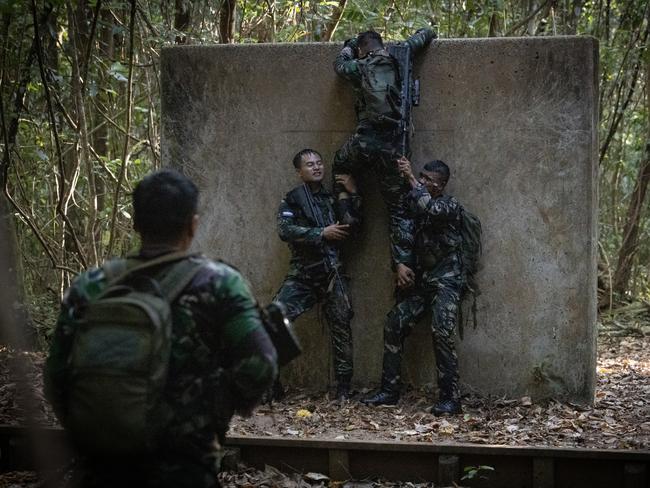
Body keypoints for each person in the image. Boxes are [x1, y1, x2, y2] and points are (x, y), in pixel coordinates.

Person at [43, 169, 277, 487]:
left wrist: (97, 424)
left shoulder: (91, 286)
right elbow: (261, 363)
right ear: (192, 225)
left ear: (136, 224)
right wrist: (214, 409)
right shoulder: (219, 283)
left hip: (102, 466)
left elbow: (56, 375)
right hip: (185, 465)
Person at [362, 158, 464, 415]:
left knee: (441, 332)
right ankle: (389, 391)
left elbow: (431, 210)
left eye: (428, 179)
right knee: (394, 322)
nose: (422, 181)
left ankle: (451, 399)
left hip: (447, 281)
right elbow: (402, 232)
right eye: (421, 176)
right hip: (423, 282)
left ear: (440, 186)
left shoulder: (449, 205)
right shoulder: (413, 204)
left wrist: (409, 179)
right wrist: (400, 264)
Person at [332, 27, 436, 271]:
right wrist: (428, 31)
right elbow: (425, 35)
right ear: (380, 43)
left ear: (361, 49)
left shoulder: (359, 65)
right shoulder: (401, 54)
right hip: (394, 146)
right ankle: (403, 266)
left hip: (365, 142)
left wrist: (347, 48)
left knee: (340, 164)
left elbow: (339, 66)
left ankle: (351, 211)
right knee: (398, 208)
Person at [273, 148, 360, 402]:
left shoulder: (334, 196)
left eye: (319, 163)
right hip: (303, 275)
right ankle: (271, 384)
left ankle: (344, 387)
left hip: (333, 274)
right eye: (310, 165)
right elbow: (285, 230)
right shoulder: (291, 199)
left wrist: (353, 194)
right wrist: (320, 233)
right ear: (299, 172)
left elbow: (353, 225)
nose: (316, 167)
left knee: (342, 328)